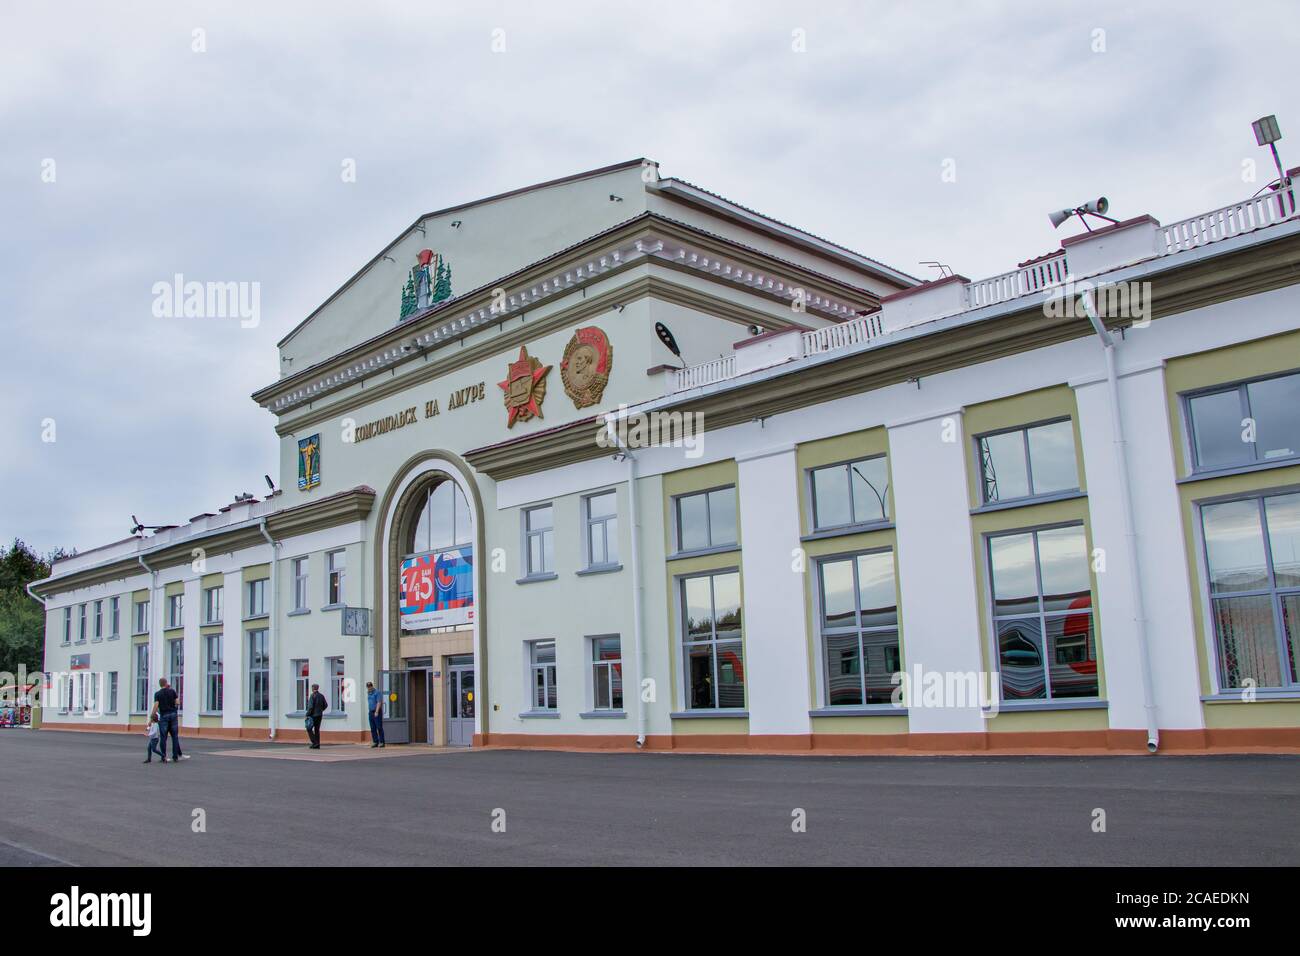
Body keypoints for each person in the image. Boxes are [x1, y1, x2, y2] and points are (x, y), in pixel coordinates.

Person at [150, 677, 188, 762]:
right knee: (175, 736)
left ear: (160, 684)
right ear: (166, 683)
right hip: (173, 715)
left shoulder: (157, 694)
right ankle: (175, 757)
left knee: (163, 737)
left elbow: (156, 705)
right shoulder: (172, 691)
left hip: (164, 716)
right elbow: (178, 702)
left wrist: (152, 715)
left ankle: (164, 756)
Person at [305, 682, 328, 749]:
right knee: (317, 730)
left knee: (309, 728)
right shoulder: (321, 696)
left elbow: (310, 707)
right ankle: (317, 744)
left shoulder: (312, 696)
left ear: (313, 688)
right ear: (317, 688)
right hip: (319, 715)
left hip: (313, 715)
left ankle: (314, 743)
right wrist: (321, 710)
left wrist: (307, 714)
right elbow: (326, 705)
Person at [366, 681, 385, 748]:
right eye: (368, 687)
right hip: (371, 712)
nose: (369, 688)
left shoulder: (377, 692)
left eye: (370, 687)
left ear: (372, 686)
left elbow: (379, 702)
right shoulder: (368, 693)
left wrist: (376, 712)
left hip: (377, 712)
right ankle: (375, 742)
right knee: (372, 728)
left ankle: (382, 742)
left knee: (379, 727)